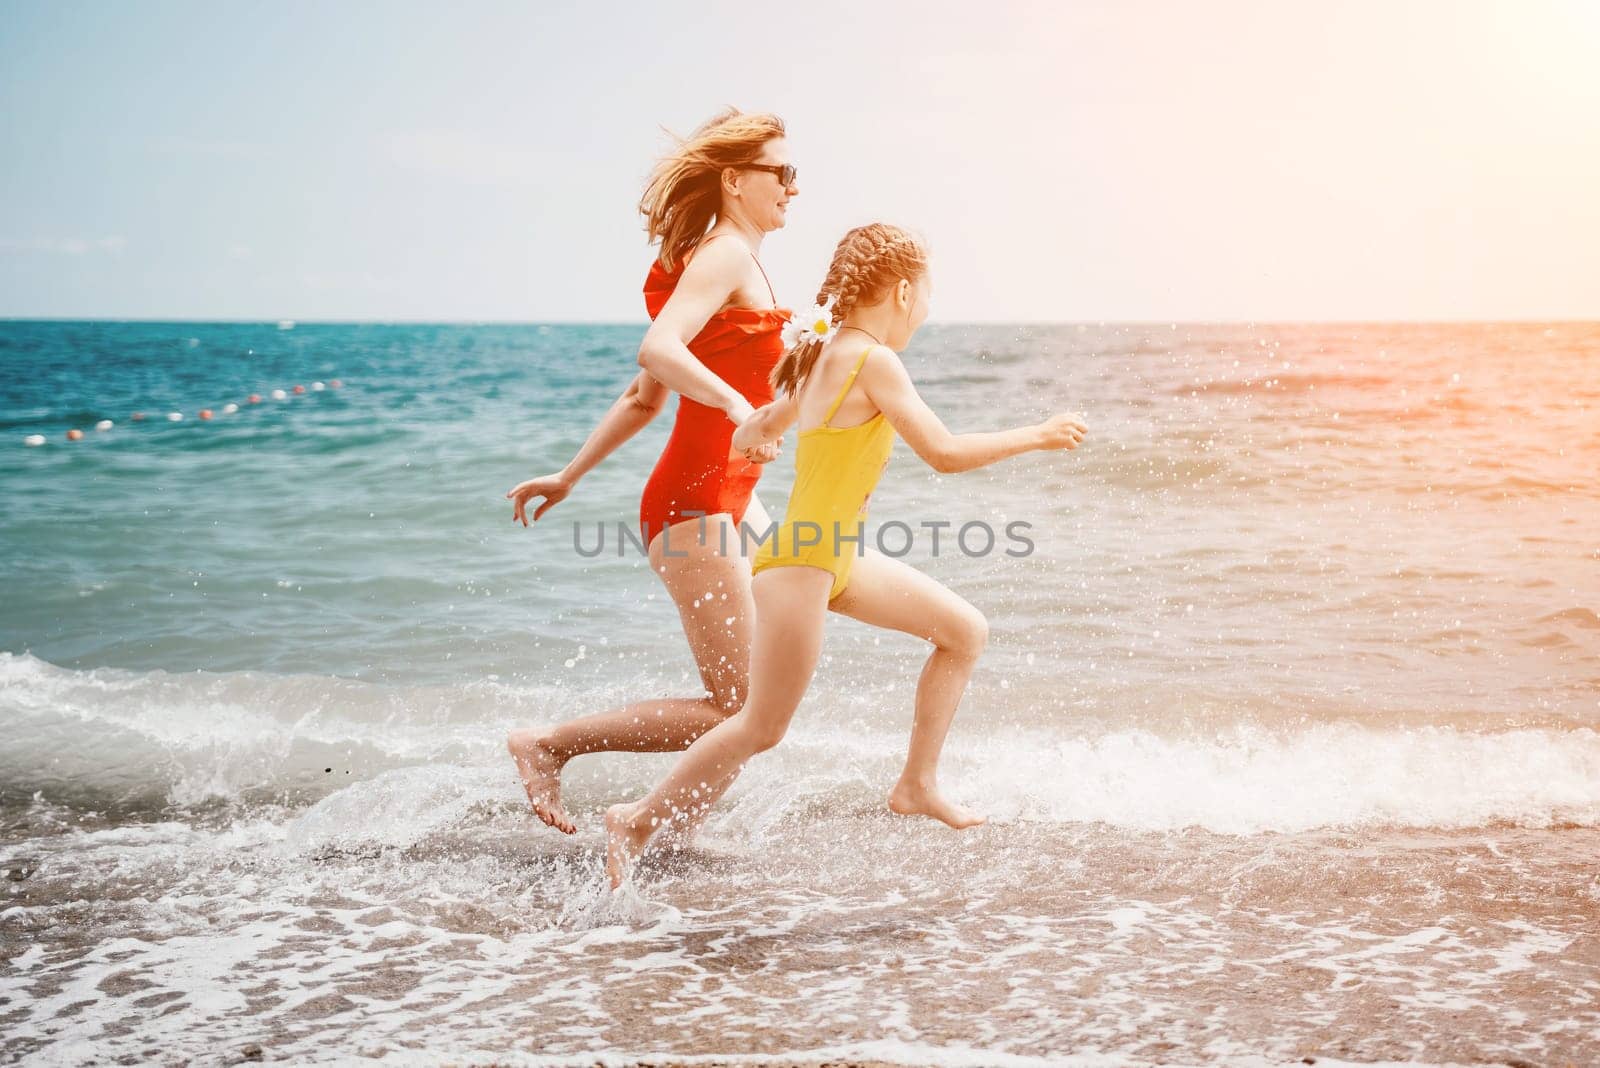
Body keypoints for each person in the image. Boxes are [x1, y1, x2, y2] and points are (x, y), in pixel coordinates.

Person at [604, 223, 1088, 886]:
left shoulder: (825, 356)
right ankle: (636, 819)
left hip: (829, 557)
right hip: (801, 566)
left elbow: (751, 431)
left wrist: (759, 440)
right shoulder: (871, 361)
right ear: (901, 292)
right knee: (760, 727)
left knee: (963, 632)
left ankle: (916, 784)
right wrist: (1037, 434)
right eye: (928, 296)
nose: (927, 310)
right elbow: (943, 453)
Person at [504, 108, 799, 834]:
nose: (794, 188)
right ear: (736, 181)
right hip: (694, 507)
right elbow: (656, 351)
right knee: (742, 709)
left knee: (762, 698)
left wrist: (569, 476)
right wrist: (740, 408)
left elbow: (643, 401)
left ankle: (668, 834)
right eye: (782, 173)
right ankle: (550, 746)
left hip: (727, 503)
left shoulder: (738, 258)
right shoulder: (726, 254)